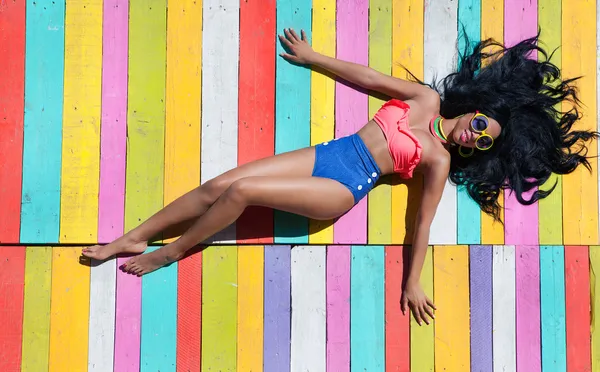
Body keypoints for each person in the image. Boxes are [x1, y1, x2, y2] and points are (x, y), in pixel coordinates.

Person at [83, 28, 598, 326]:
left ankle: (174, 250)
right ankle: (135, 235)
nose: (475, 136)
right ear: (476, 111)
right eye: (481, 126)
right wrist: (312, 57)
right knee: (219, 183)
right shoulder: (427, 100)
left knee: (241, 193)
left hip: (343, 186)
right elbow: (368, 78)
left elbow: (419, 225)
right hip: (330, 152)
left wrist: (412, 280)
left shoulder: (438, 161)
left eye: (482, 142)